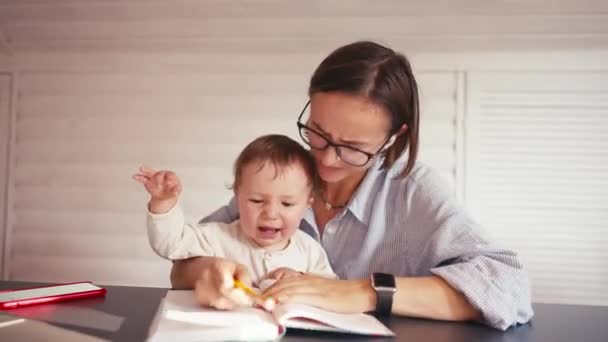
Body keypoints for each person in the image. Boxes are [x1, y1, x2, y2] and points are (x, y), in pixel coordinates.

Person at [168, 41, 534, 330]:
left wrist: (363, 292)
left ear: (393, 137)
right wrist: (211, 276)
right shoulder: (282, 176)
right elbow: (183, 266)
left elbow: (508, 289)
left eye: (353, 149)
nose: (326, 160)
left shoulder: (412, 192)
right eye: (318, 134)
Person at [134, 134, 336, 308]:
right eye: (257, 200)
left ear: (307, 204)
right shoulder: (216, 237)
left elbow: (330, 289)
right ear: (237, 196)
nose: (271, 214)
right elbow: (171, 245)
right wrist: (163, 202)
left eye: (288, 204)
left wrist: (300, 279)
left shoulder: (309, 250)